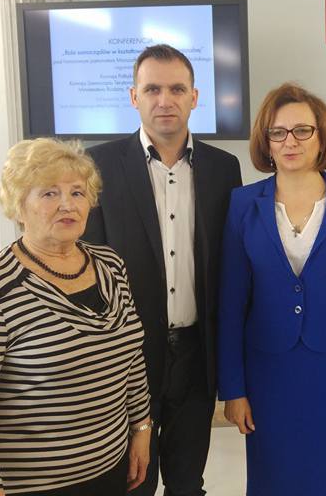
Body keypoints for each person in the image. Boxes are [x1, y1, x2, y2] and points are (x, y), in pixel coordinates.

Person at [0, 138, 152, 496]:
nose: (67, 204)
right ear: (18, 205)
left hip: (113, 472)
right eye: (49, 193)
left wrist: (141, 429)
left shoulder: (110, 265)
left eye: (78, 193)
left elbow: (131, 359)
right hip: (32, 486)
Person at [218, 83, 326, 495]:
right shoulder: (243, 204)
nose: (290, 141)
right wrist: (234, 389)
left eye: (302, 130)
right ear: (266, 141)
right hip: (269, 372)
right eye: (277, 132)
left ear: (321, 137)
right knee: (275, 477)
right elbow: (230, 304)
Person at [83, 44, 242, 496]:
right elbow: (88, 263)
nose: (164, 99)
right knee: (133, 481)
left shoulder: (223, 168)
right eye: (152, 88)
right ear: (134, 97)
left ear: (195, 96)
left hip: (196, 354)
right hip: (126, 356)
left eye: (176, 88)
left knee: (188, 480)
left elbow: (227, 267)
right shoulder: (98, 166)